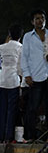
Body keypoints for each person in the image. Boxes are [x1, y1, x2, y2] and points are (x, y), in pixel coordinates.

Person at [21, 9, 48, 141]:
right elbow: (24, 57)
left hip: (47, 74)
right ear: (32, 22)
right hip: (35, 77)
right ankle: (29, 137)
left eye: (42, 18)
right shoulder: (28, 37)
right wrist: (27, 75)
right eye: (37, 18)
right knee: (32, 108)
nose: (40, 21)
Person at [0, 24, 23, 142]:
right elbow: (21, 66)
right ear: (20, 36)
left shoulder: (1, 47)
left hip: (3, 80)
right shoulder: (21, 47)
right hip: (14, 81)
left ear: (9, 34)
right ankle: (8, 137)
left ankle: (0, 136)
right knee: (11, 111)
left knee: (2, 111)